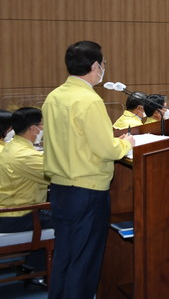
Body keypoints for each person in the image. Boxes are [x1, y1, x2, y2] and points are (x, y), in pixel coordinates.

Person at [42, 40, 134, 299]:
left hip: (60, 189)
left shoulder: (54, 96)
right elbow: (105, 149)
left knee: (65, 256)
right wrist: (126, 142)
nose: (104, 67)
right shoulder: (89, 100)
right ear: (95, 66)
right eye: (104, 63)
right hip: (88, 190)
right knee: (84, 262)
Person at [0, 107, 52, 284]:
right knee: (68, 220)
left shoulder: (10, 147)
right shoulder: (25, 156)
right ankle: (40, 272)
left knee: (48, 212)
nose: (43, 128)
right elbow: (58, 174)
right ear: (33, 128)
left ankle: (32, 265)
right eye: (42, 125)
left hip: (8, 210)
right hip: (14, 217)